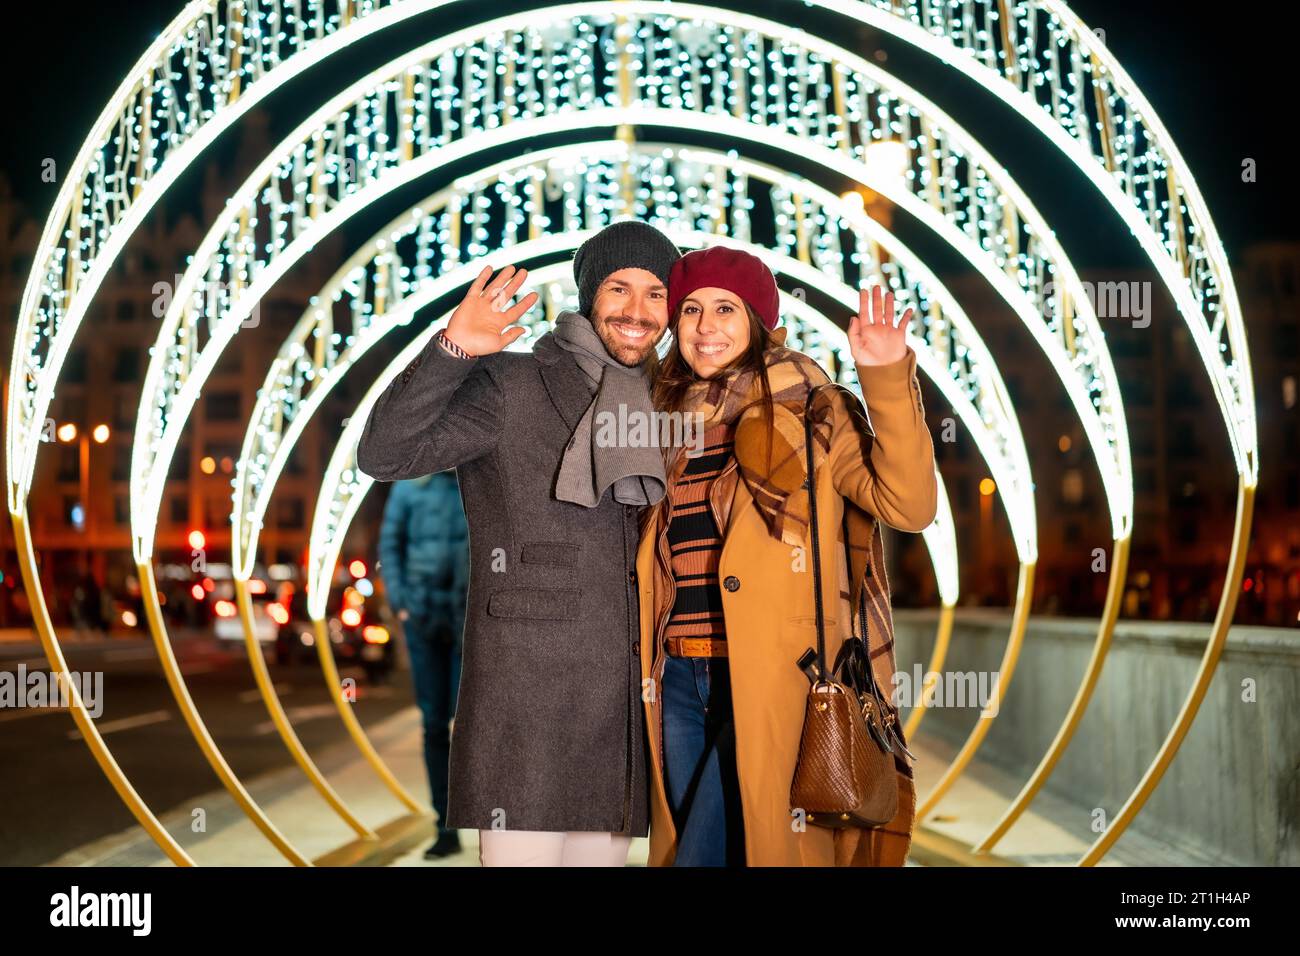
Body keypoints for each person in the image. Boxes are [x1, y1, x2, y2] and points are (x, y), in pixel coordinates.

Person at [357, 220, 680, 866]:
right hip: (527, 694)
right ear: (590, 298)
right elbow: (384, 451)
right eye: (619, 289)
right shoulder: (512, 383)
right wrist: (454, 349)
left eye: (654, 293)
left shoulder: (668, 400)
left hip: (621, 702)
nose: (636, 312)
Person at [635, 245, 938, 866]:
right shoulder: (658, 423)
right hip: (678, 679)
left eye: (724, 308)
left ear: (757, 320)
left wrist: (885, 377)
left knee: (725, 852)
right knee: (708, 845)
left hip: (780, 675)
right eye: (690, 310)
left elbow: (909, 504)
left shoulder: (814, 410)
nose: (704, 327)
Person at [377, 470, 470, 859]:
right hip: (423, 617)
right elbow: (390, 543)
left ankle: (487, 817)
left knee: (472, 723)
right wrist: (400, 604)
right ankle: (445, 826)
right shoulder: (409, 487)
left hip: (467, 618)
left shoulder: (475, 480)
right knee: (434, 724)